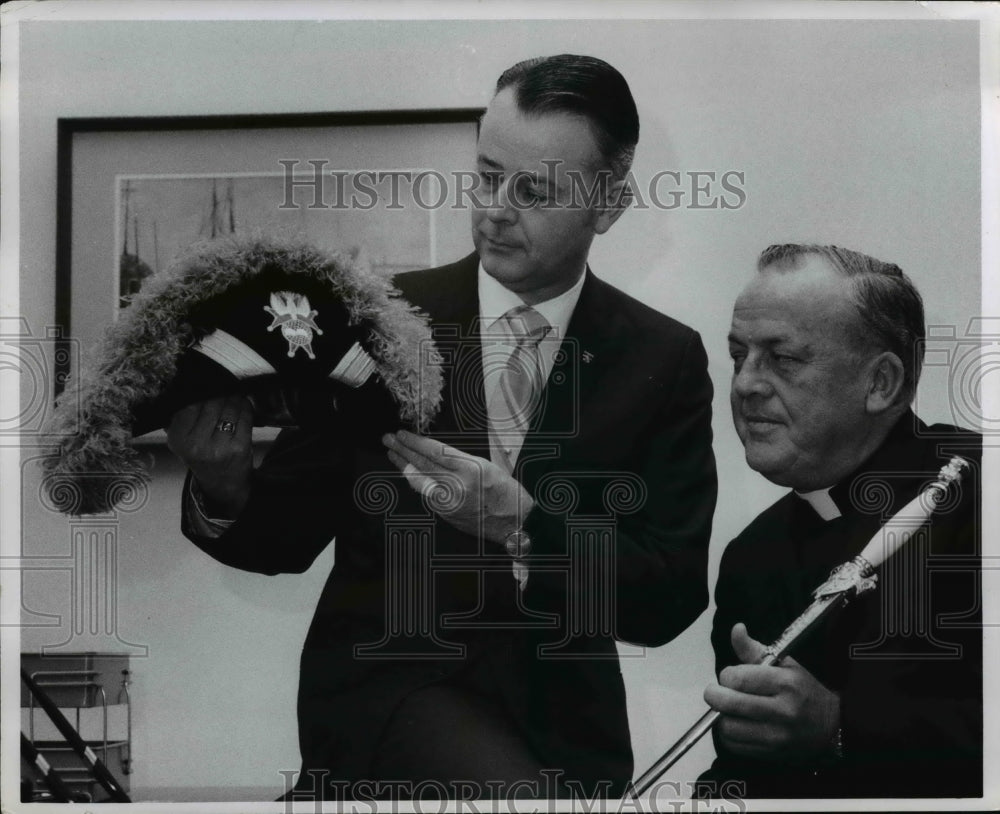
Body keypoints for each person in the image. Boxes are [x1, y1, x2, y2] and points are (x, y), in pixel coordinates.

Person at [167, 54, 717, 801]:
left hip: (560, 742)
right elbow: (283, 539)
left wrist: (524, 526)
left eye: (533, 191)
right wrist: (221, 480)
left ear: (609, 206)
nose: (495, 209)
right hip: (382, 713)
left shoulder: (664, 358)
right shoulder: (375, 320)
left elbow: (668, 599)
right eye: (487, 175)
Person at [698, 244, 981, 798]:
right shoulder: (750, 556)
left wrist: (839, 727)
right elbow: (745, 774)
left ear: (880, 384)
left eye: (782, 358)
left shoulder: (984, 492)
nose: (746, 384)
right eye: (738, 356)